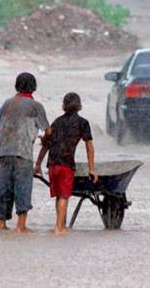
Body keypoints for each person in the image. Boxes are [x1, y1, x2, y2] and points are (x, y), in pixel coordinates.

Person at [0, 72, 51, 233]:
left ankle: (1, 223)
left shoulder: (7, 103)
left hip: (4, 152)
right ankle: (21, 225)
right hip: (23, 153)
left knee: (5, 187)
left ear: (16, 86)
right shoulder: (36, 106)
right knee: (23, 187)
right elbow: (48, 130)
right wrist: (43, 140)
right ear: (34, 88)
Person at [35, 92, 98, 235]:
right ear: (79, 107)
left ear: (64, 106)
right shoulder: (82, 123)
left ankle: (60, 224)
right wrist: (92, 169)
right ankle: (59, 228)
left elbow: (46, 145)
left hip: (52, 164)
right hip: (66, 164)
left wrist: (38, 164)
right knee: (64, 196)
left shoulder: (57, 122)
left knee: (58, 196)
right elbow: (89, 146)